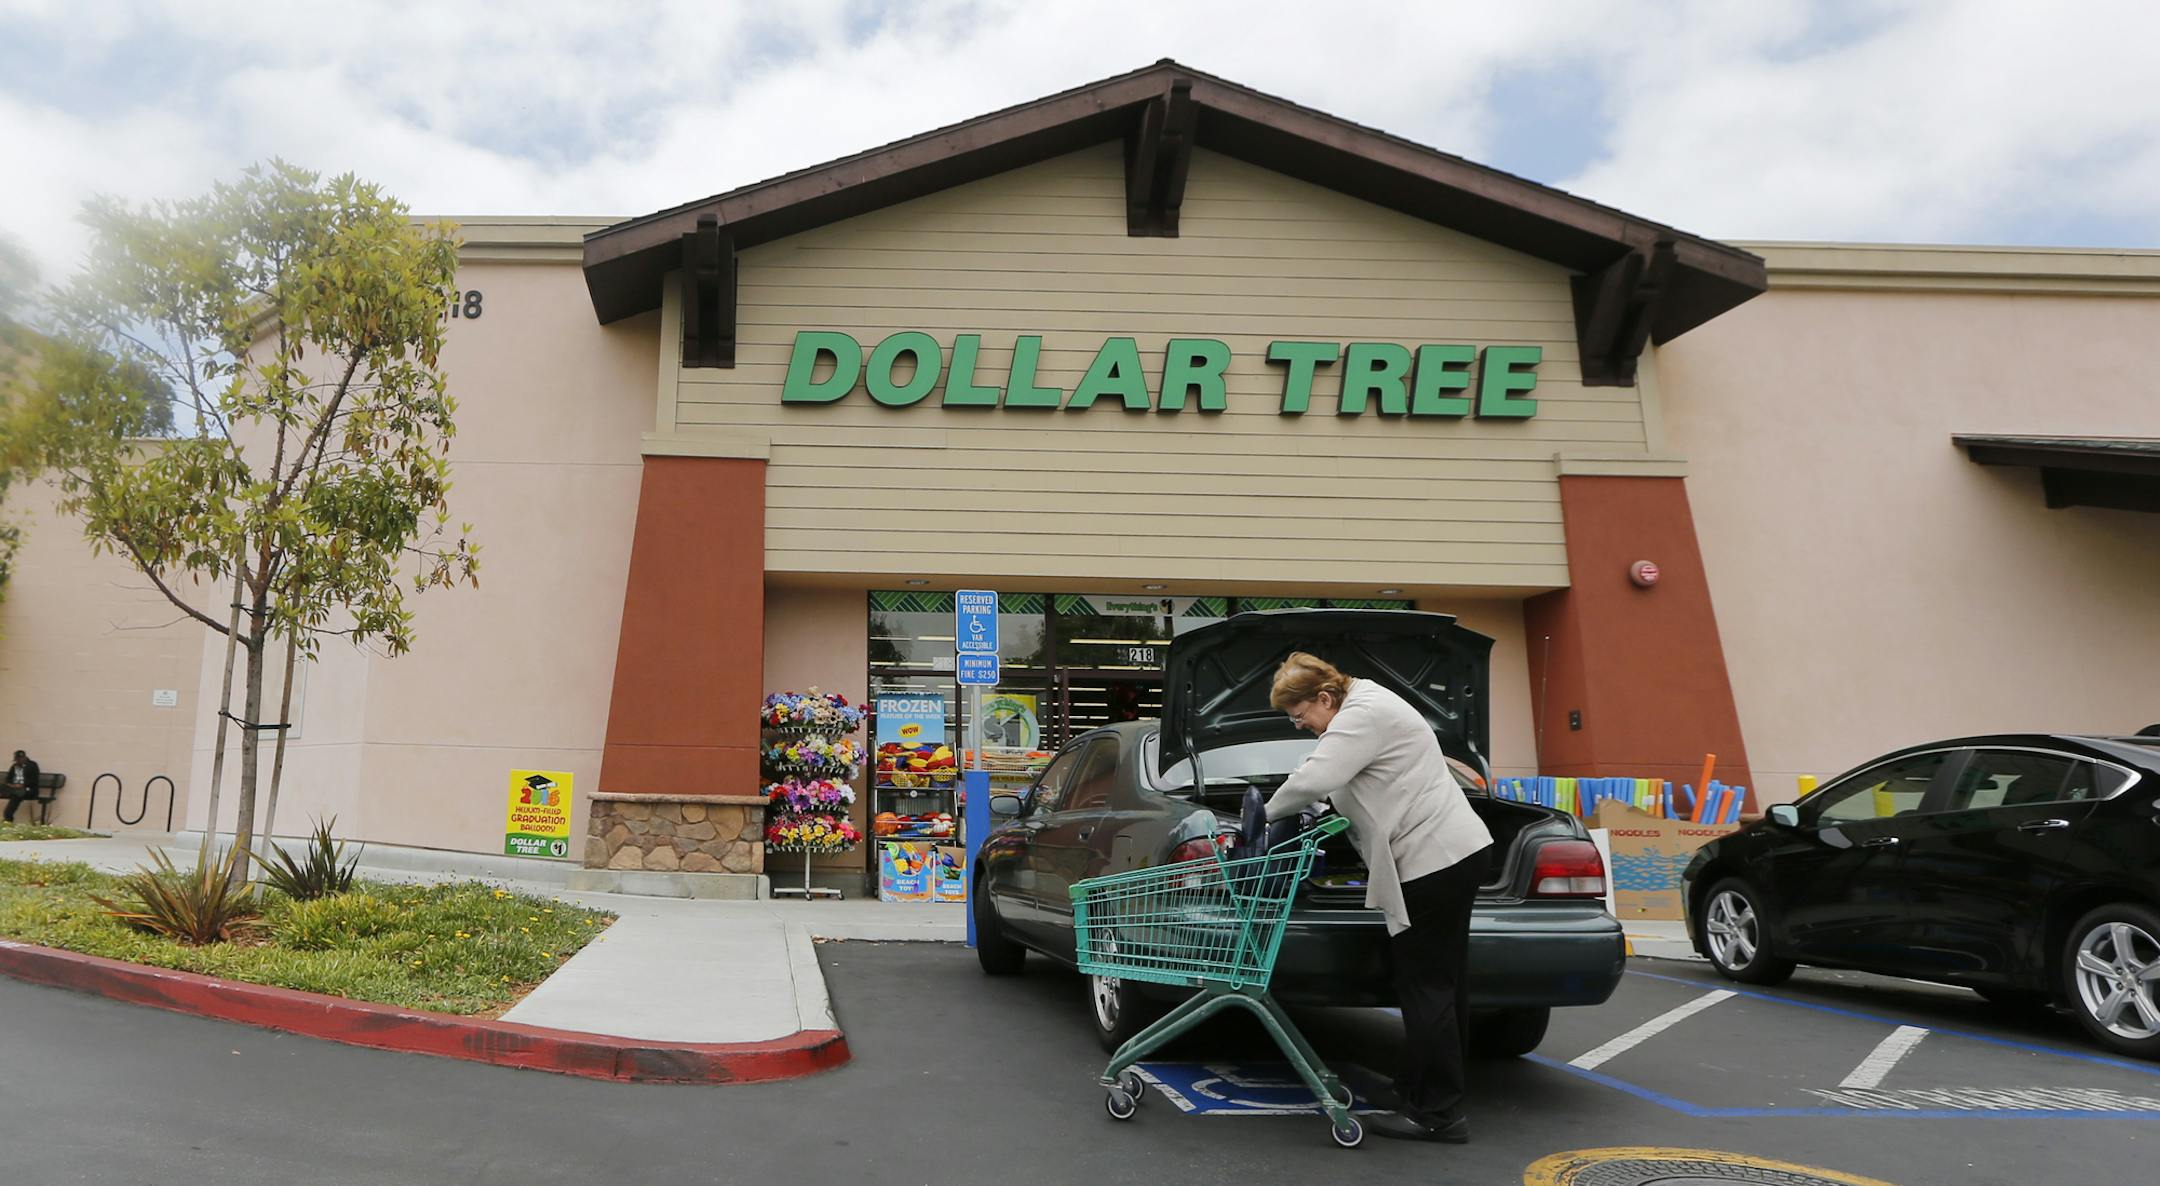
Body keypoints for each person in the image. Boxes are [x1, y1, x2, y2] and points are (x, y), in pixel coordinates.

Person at [1262, 652, 1493, 1143]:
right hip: (1450, 853)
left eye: (1301, 717)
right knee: (1440, 984)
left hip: (1436, 857)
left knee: (1426, 985)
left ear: (1325, 698)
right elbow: (1344, 779)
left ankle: (1437, 1114)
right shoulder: (1364, 704)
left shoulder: (1360, 714)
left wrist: (1262, 816)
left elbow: (1316, 777)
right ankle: (1419, 1088)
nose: (1302, 726)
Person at [3, 749, 43, 824]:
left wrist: (22, 785)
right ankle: (7, 818)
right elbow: (8, 778)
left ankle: (8, 818)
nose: (18, 761)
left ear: (24, 757)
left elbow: (34, 780)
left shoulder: (32, 765)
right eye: (16, 760)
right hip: (14, 788)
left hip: (28, 789)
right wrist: (11, 784)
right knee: (4, 787)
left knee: (17, 794)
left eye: (19, 759)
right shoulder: (14, 766)